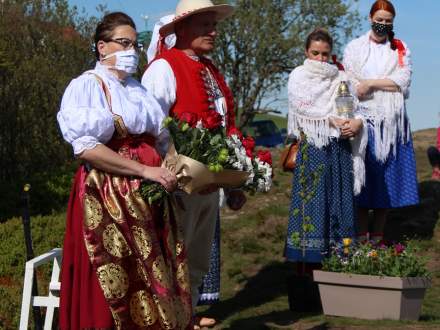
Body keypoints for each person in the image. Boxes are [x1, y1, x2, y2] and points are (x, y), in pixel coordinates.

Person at [57, 12, 192, 329]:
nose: (132, 50)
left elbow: (162, 140)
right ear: (102, 47)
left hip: (151, 195)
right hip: (110, 196)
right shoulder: (88, 86)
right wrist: (144, 171)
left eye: (135, 44)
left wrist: (176, 171)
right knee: (119, 279)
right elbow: (88, 148)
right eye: (124, 43)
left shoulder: (138, 91)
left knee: (156, 278)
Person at [142, 1, 246, 328]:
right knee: (174, 258)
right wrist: (175, 164)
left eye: (214, 25)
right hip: (178, 183)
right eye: (205, 25)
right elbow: (152, 124)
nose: (213, 31)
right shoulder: (164, 67)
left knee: (198, 262)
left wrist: (235, 180)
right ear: (183, 29)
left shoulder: (210, 69)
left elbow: (224, 125)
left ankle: (185, 318)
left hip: (209, 184)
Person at [285, 28, 366, 272]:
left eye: (325, 54)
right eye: (315, 53)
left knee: (340, 202)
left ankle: (340, 263)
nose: (320, 59)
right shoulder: (299, 76)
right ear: (306, 52)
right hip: (314, 148)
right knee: (314, 204)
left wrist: (356, 124)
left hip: (339, 149)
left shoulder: (340, 78)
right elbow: (303, 109)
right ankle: (307, 267)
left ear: (332, 54)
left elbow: (356, 108)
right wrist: (331, 120)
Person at [343, 0, 419, 243]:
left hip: (393, 124)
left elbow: (403, 80)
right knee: (364, 180)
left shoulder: (400, 48)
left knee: (388, 179)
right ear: (370, 18)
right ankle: (362, 237)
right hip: (365, 120)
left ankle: (378, 236)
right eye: (380, 19)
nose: (383, 24)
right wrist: (379, 82)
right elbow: (350, 80)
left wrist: (371, 83)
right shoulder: (354, 48)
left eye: (388, 21)